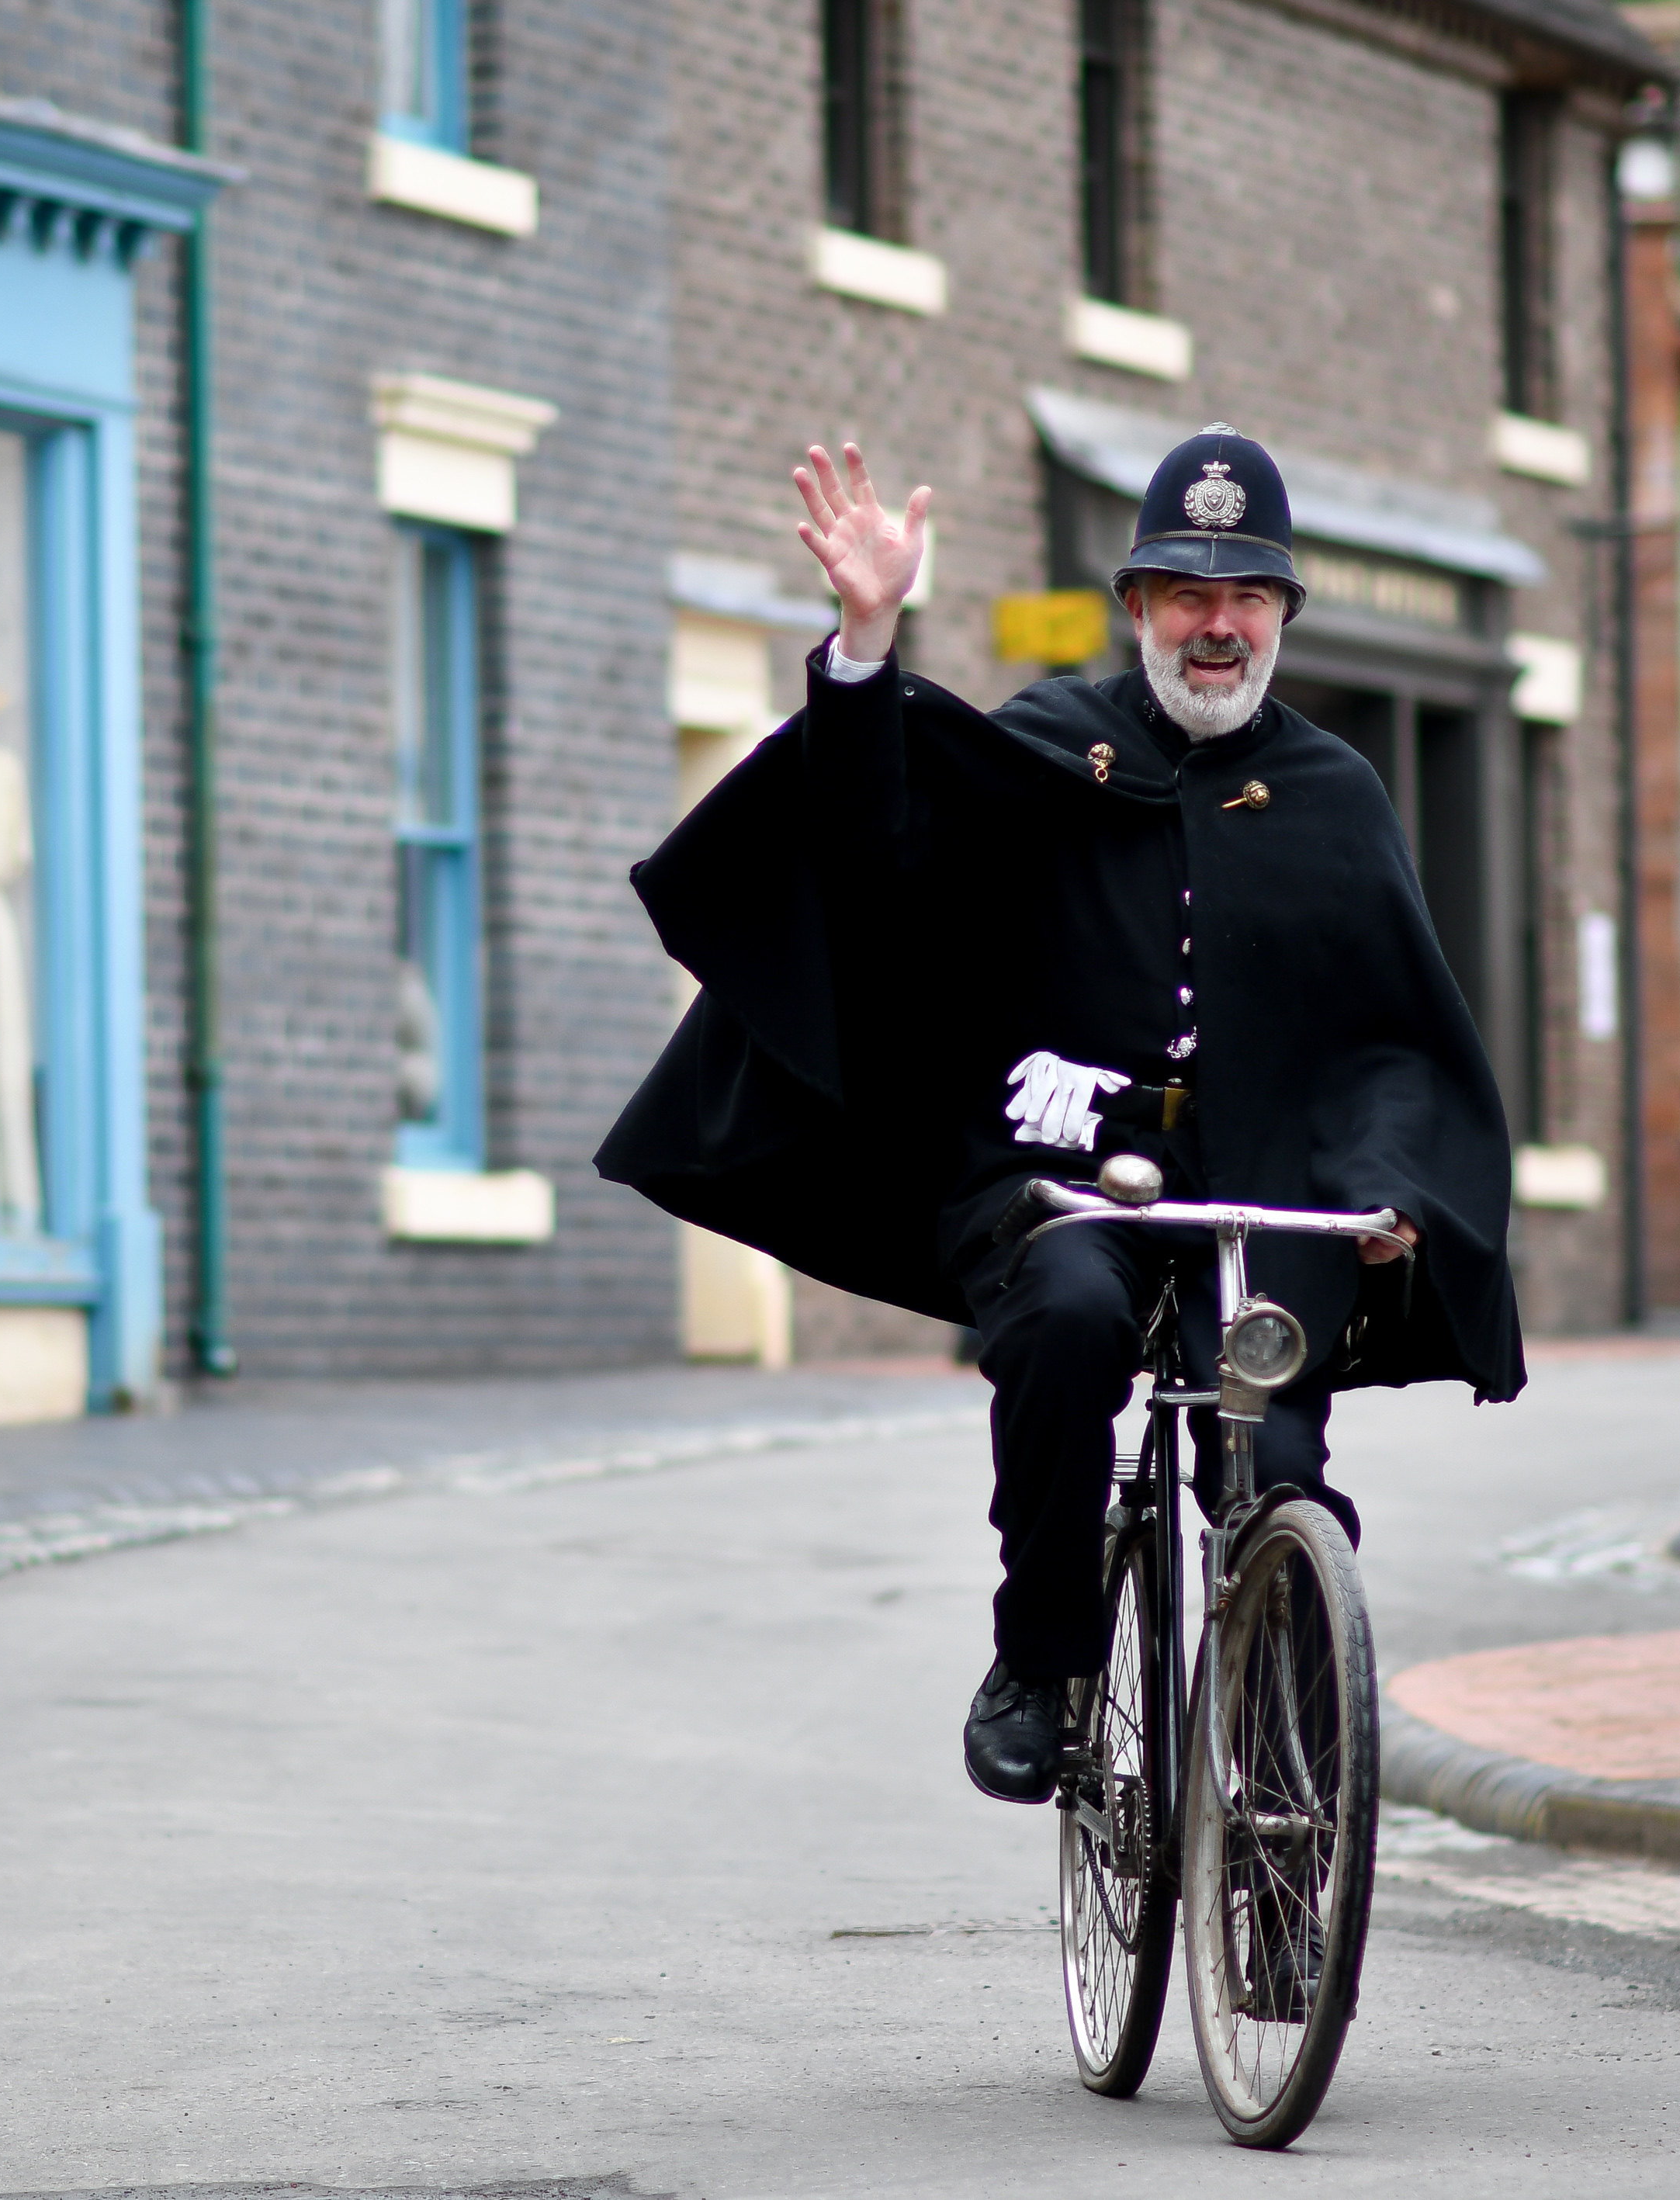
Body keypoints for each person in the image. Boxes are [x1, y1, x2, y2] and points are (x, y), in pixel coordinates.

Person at [597, 431, 1522, 1803]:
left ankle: (1282, 1872)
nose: (1219, 625)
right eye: (1188, 595)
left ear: (1281, 618)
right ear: (1137, 606)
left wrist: (1392, 1194)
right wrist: (866, 640)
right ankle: (1040, 1655)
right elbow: (872, 863)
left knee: (1278, 1472)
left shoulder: (1337, 795)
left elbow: (1393, 1038)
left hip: (1260, 1201)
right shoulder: (1050, 748)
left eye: (1248, 598)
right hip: (1059, 1177)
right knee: (1070, 1324)